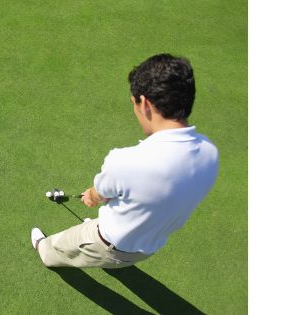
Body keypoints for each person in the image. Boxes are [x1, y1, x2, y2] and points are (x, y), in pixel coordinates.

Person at [30, 54, 219, 268]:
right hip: (148, 247)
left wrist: (91, 196)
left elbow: (99, 194)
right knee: (115, 253)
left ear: (144, 103)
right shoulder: (210, 152)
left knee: (60, 246)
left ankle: (44, 249)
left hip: (106, 242)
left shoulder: (125, 161)